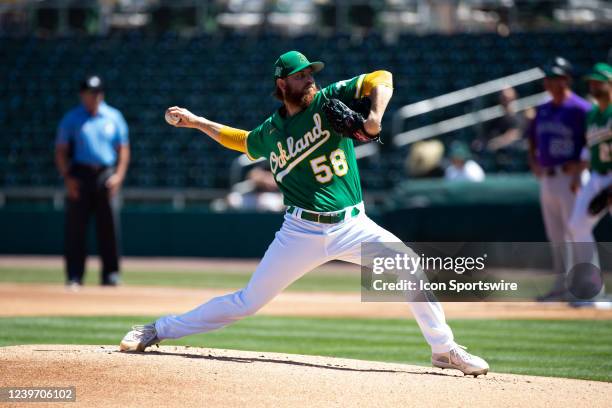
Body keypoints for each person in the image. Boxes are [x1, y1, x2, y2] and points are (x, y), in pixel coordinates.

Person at [119, 51, 489, 376]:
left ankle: (443, 349)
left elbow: (382, 77)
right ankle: (157, 329)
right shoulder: (272, 131)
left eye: (311, 73)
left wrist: (375, 115)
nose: (310, 78)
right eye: (301, 75)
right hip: (300, 232)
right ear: (282, 83)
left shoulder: (328, 101)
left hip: (353, 225)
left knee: (410, 267)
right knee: (247, 302)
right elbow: (241, 140)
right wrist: (197, 121)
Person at [55, 75, 130, 288]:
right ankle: (74, 276)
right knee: (76, 228)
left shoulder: (113, 116)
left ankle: (111, 275)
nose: (95, 96)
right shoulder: (72, 118)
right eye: (91, 92)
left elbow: (123, 149)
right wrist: (67, 178)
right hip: (80, 175)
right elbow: (61, 151)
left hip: (106, 175)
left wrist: (119, 176)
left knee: (109, 227)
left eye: (98, 92)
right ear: (82, 94)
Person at [526, 57, 592, 301]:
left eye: (556, 78)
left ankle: (584, 286)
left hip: (571, 177)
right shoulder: (543, 109)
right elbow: (531, 137)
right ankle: (560, 286)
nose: (551, 82)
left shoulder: (581, 108)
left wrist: (580, 168)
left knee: (576, 232)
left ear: (567, 79)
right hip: (548, 177)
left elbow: (593, 140)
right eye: (548, 78)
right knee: (555, 235)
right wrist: (533, 160)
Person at [566, 62, 612, 307]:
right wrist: (577, 174)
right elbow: (588, 148)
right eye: (591, 82)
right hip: (596, 176)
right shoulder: (593, 114)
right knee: (576, 225)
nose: (593, 86)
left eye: (598, 82)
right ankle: (592, 290)